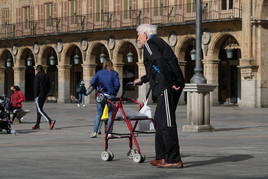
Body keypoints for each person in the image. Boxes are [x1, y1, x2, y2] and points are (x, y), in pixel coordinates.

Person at [134, 24, 185, 168]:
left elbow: (159, 62)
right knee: (160, 122)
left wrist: (173, 81)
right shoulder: (157, 43)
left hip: (167, 87)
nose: (138, 38)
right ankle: (162, 157)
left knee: (167, 123)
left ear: (144, 34)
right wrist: (143, 79)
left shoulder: (150, 43)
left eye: (138, 35)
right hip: (166, 85)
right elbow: (156, 68)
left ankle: (173, 159)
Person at [90, 59, 120, 138]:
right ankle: (109, 133)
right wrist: (113, 92)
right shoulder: (114, 74)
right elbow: (117, 85)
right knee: (110, 114)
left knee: (99, 114)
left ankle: (94, 132)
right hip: (110, 96)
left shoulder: (99, 73)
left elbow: (92, 82)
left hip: (100, 96)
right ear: (111, 65)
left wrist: (98, 87)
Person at [32, 65, 56, 130]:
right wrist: (46, 93)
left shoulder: (37, 76)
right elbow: (49, 85)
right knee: (39, 109)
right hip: (44, 95)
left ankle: (50, 121)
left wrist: (35, 95)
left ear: (37, 69)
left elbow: (36, 86)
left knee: (40, 110)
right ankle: (37, 124)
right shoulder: (46, 75)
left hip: (39, 95)